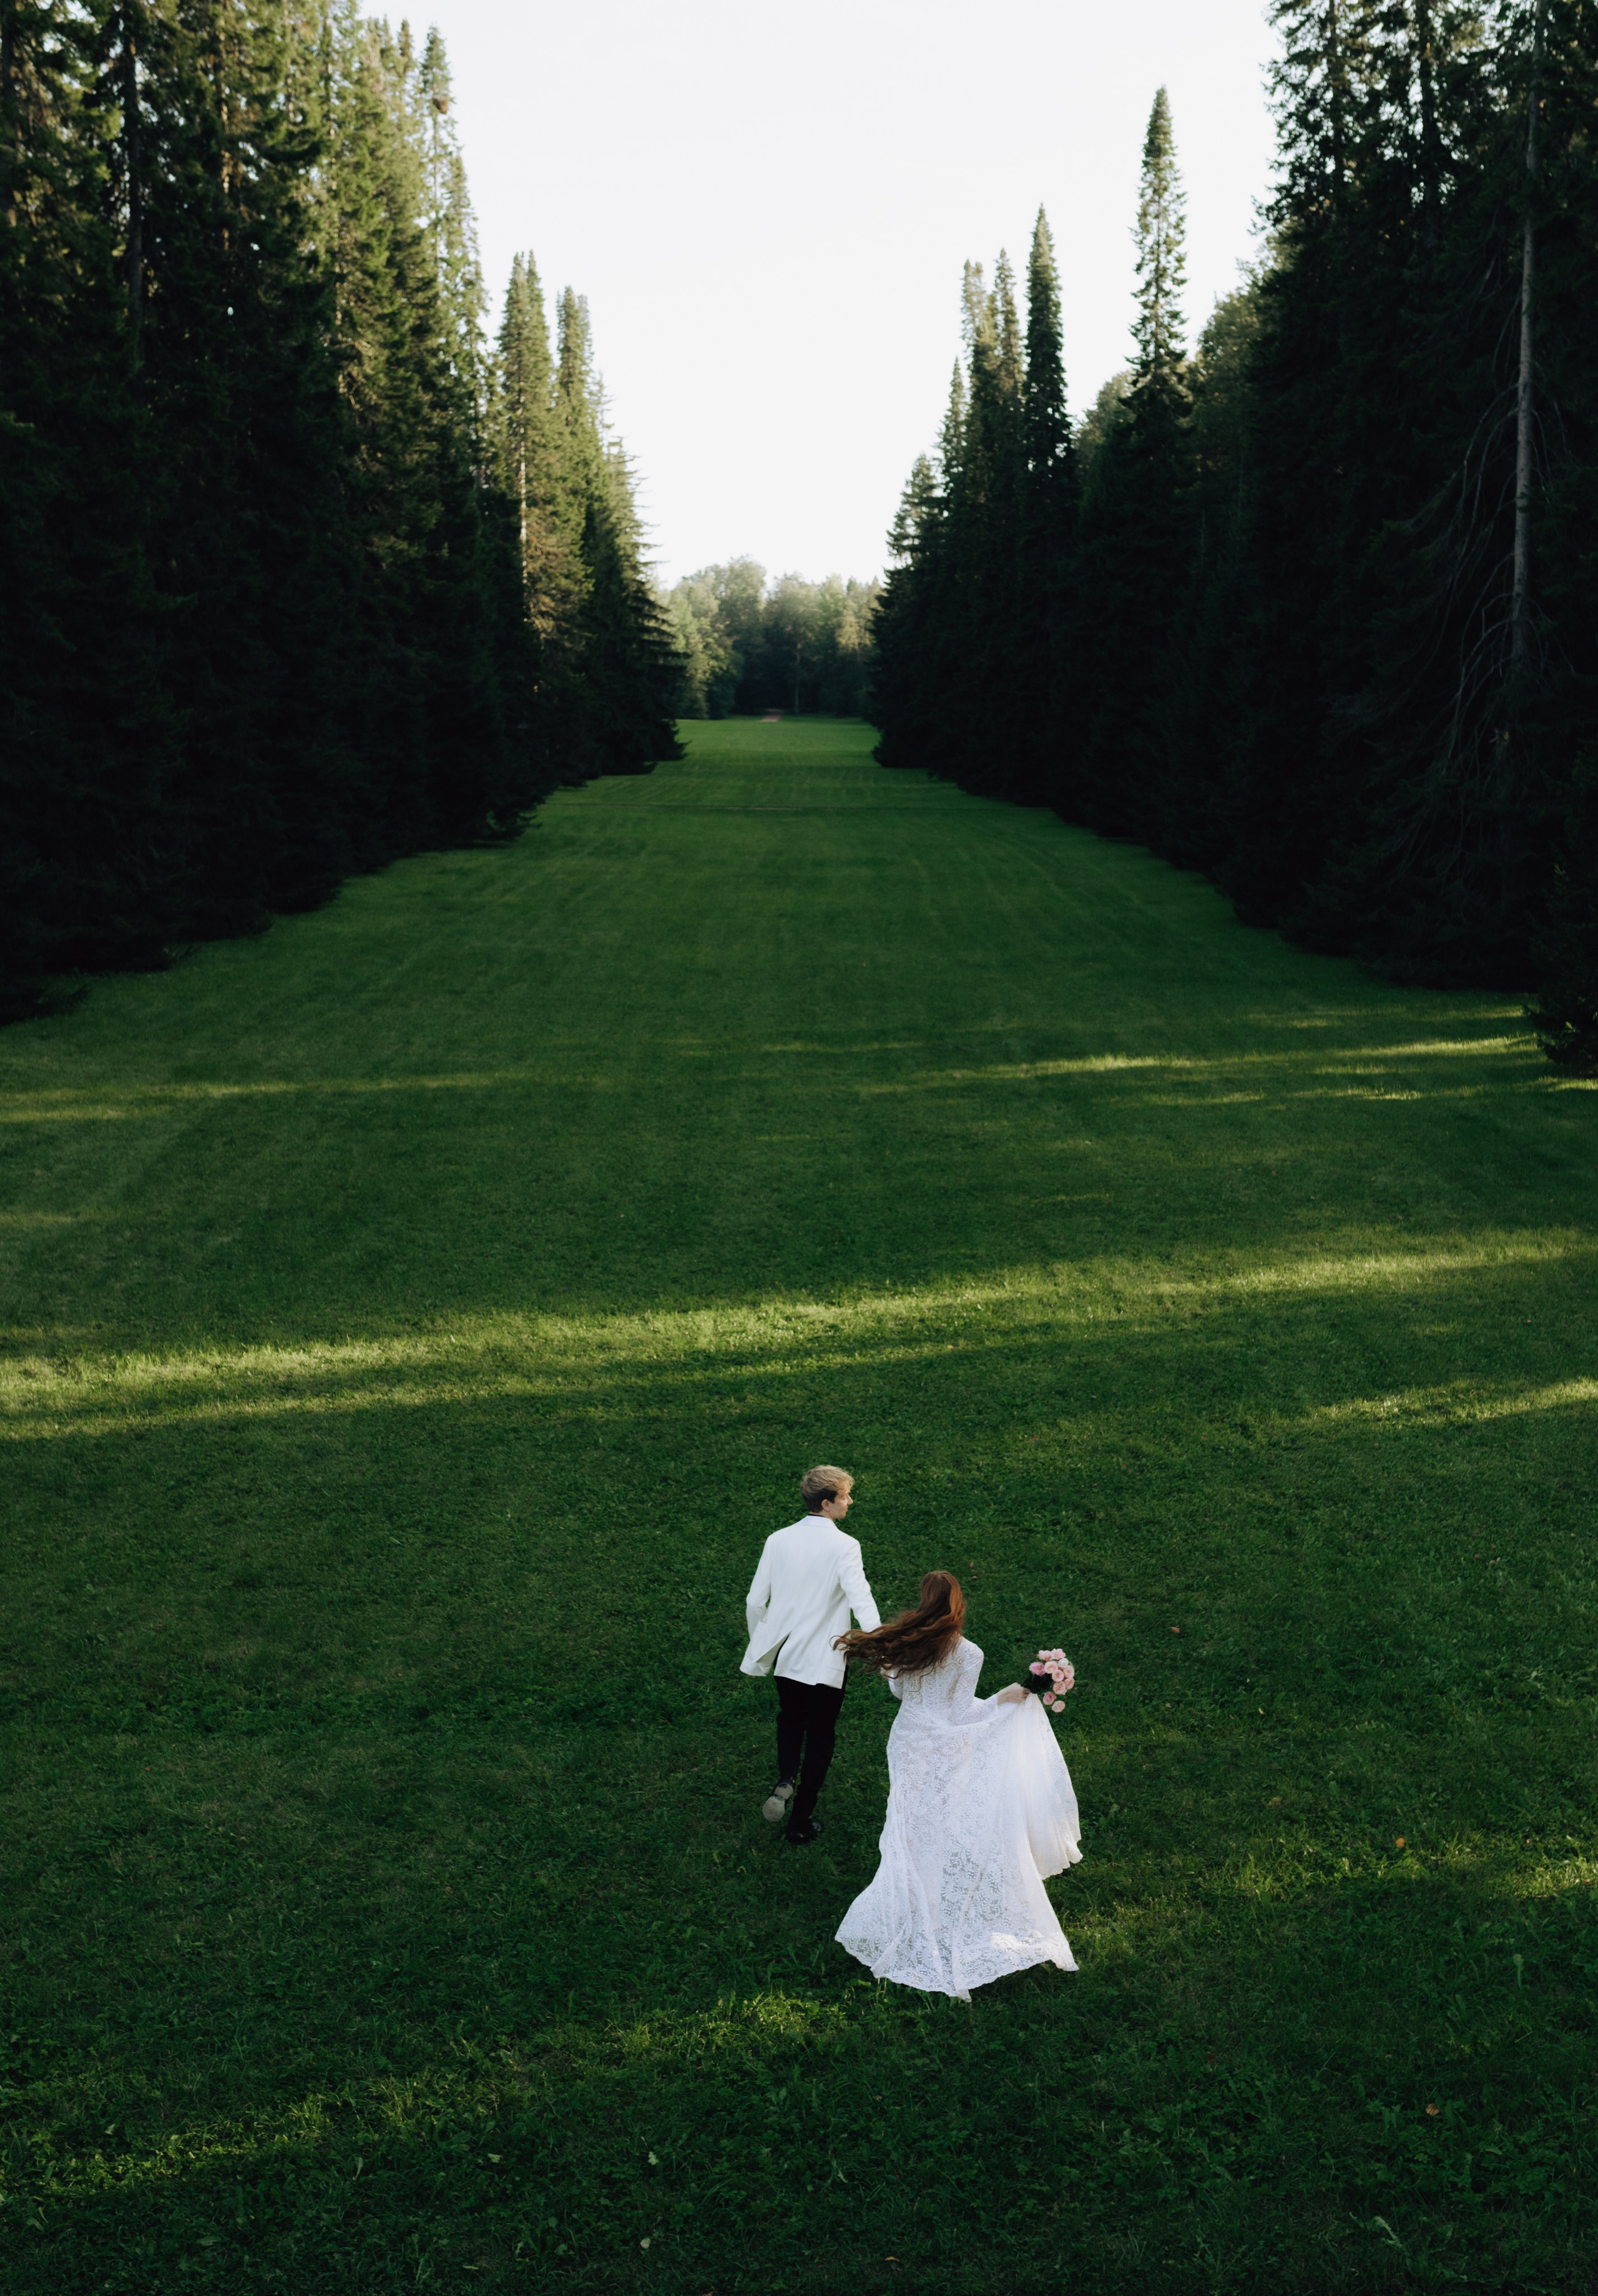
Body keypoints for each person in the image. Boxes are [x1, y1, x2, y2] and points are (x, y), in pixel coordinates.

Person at [833, 1571, 1081, 1999]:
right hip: (945, 1748)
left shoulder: (906, 1643)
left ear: (925, 1602)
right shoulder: (969, 1654)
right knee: (940, 1821)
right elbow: (961, 1717)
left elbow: (900, 1695)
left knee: (908, 1821)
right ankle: (928, 1902)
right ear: (957, 1605)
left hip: (909, 1741)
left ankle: (919, 1901)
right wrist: (1001, 1701)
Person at [740, 1465, 880, 1846]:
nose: (850, 1502)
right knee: (820, 1734)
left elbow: (755, 1601)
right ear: (826, 1503)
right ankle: (800, 1821)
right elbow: (860, 1597)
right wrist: (879, 1641)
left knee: (789, 1718)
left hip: (787, 1657)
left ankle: (785, 1778)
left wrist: (763, 1646)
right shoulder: (844, 1546)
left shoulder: (778, 1540)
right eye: (845, 1497)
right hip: (826, 1662)